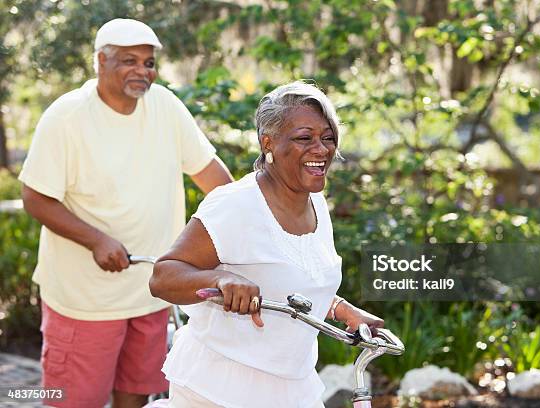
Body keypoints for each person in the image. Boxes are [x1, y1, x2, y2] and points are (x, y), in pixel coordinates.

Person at [19, 18, 233, 408]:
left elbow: (214, 178)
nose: (142, 71)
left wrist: (246, 229)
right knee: (74, 401)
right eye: (129, 61)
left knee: (135, 394)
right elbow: (35, 198)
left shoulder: (166, 106)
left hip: (151, 292)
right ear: (101, 61)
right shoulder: (66, 117)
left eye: (149, 63)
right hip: (85, 300)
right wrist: (96, 239)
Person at [149, 81, 384, 407]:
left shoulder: (316, 203)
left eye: (328, 138)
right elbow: (163, 276)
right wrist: (221, 279)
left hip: (293, 387)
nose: (321, 149)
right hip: (218, 389)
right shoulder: (235, 205)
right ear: (268, 142)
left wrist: (342, 309)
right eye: (305, 138)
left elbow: (293, 279)